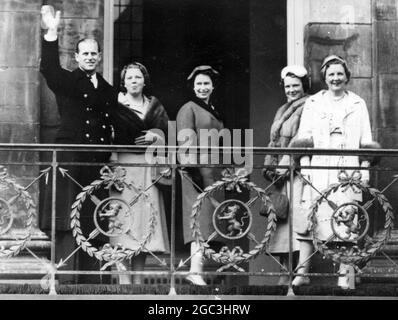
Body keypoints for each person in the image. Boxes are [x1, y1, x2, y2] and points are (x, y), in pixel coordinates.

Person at [39, 6, 117, 283]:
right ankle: (67, 279)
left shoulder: (108, 89)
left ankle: (94, 280)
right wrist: (51, 33)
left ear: (99, 56)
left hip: (97, 162)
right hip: (71, 159)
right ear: (76, 57)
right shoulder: (67, 81)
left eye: (94, 53)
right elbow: (47, 67)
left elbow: (120, 123)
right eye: (85, 53)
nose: (90, 57)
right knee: (67, 218)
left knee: (93, 217)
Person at [292, 55, 380, 288]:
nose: (336, 78)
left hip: (348, 169)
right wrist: (307, 169)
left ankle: (345, 273)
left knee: (348, 219)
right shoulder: (314, 103)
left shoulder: (357, 103)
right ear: (325, 77)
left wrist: (364, 169)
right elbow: (304, 138)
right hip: (320, 168)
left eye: (340, 74)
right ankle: (302, 272)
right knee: (312, 218)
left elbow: (366, 140)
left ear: (347, 77)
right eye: (331, 74)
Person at [109, 62, 170, 285]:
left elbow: (168, 137)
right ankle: (123, 282)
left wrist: (156, 137)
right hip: (124, 168)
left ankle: (139, 281)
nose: (134, 81)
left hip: (147, 168)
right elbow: (108, 134)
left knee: (144, 224)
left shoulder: (154, 106)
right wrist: (114, 163)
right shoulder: (115, 104)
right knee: (123, 222)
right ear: (123, 82)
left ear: (145, 81)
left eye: (138, 77)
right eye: (130, 78)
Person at [176, 65, 224, 286]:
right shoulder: (189, 108)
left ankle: (199, 269)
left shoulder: (213, 108)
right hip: (196, 172)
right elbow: (185, 140)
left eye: (206, 83)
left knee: (210, 222)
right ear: (193, 87)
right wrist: (192, 170)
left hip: (212, 171)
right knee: (198, 220)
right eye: (199, 84)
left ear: (213, 86)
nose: (203, 87)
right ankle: (195, 270)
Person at [263, 65, 310, 285]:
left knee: (296, 223)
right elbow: (274, 142)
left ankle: (299, 274)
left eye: (296, 86)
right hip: (280, 176)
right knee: (281, 223)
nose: (291, 90)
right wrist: (270, 166)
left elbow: (302, 138)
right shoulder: (282, 109)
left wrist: (286, 163)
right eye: (288, 86)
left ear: (304, 87)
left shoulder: (309, 106)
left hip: (297, 172)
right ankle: (284, 273)